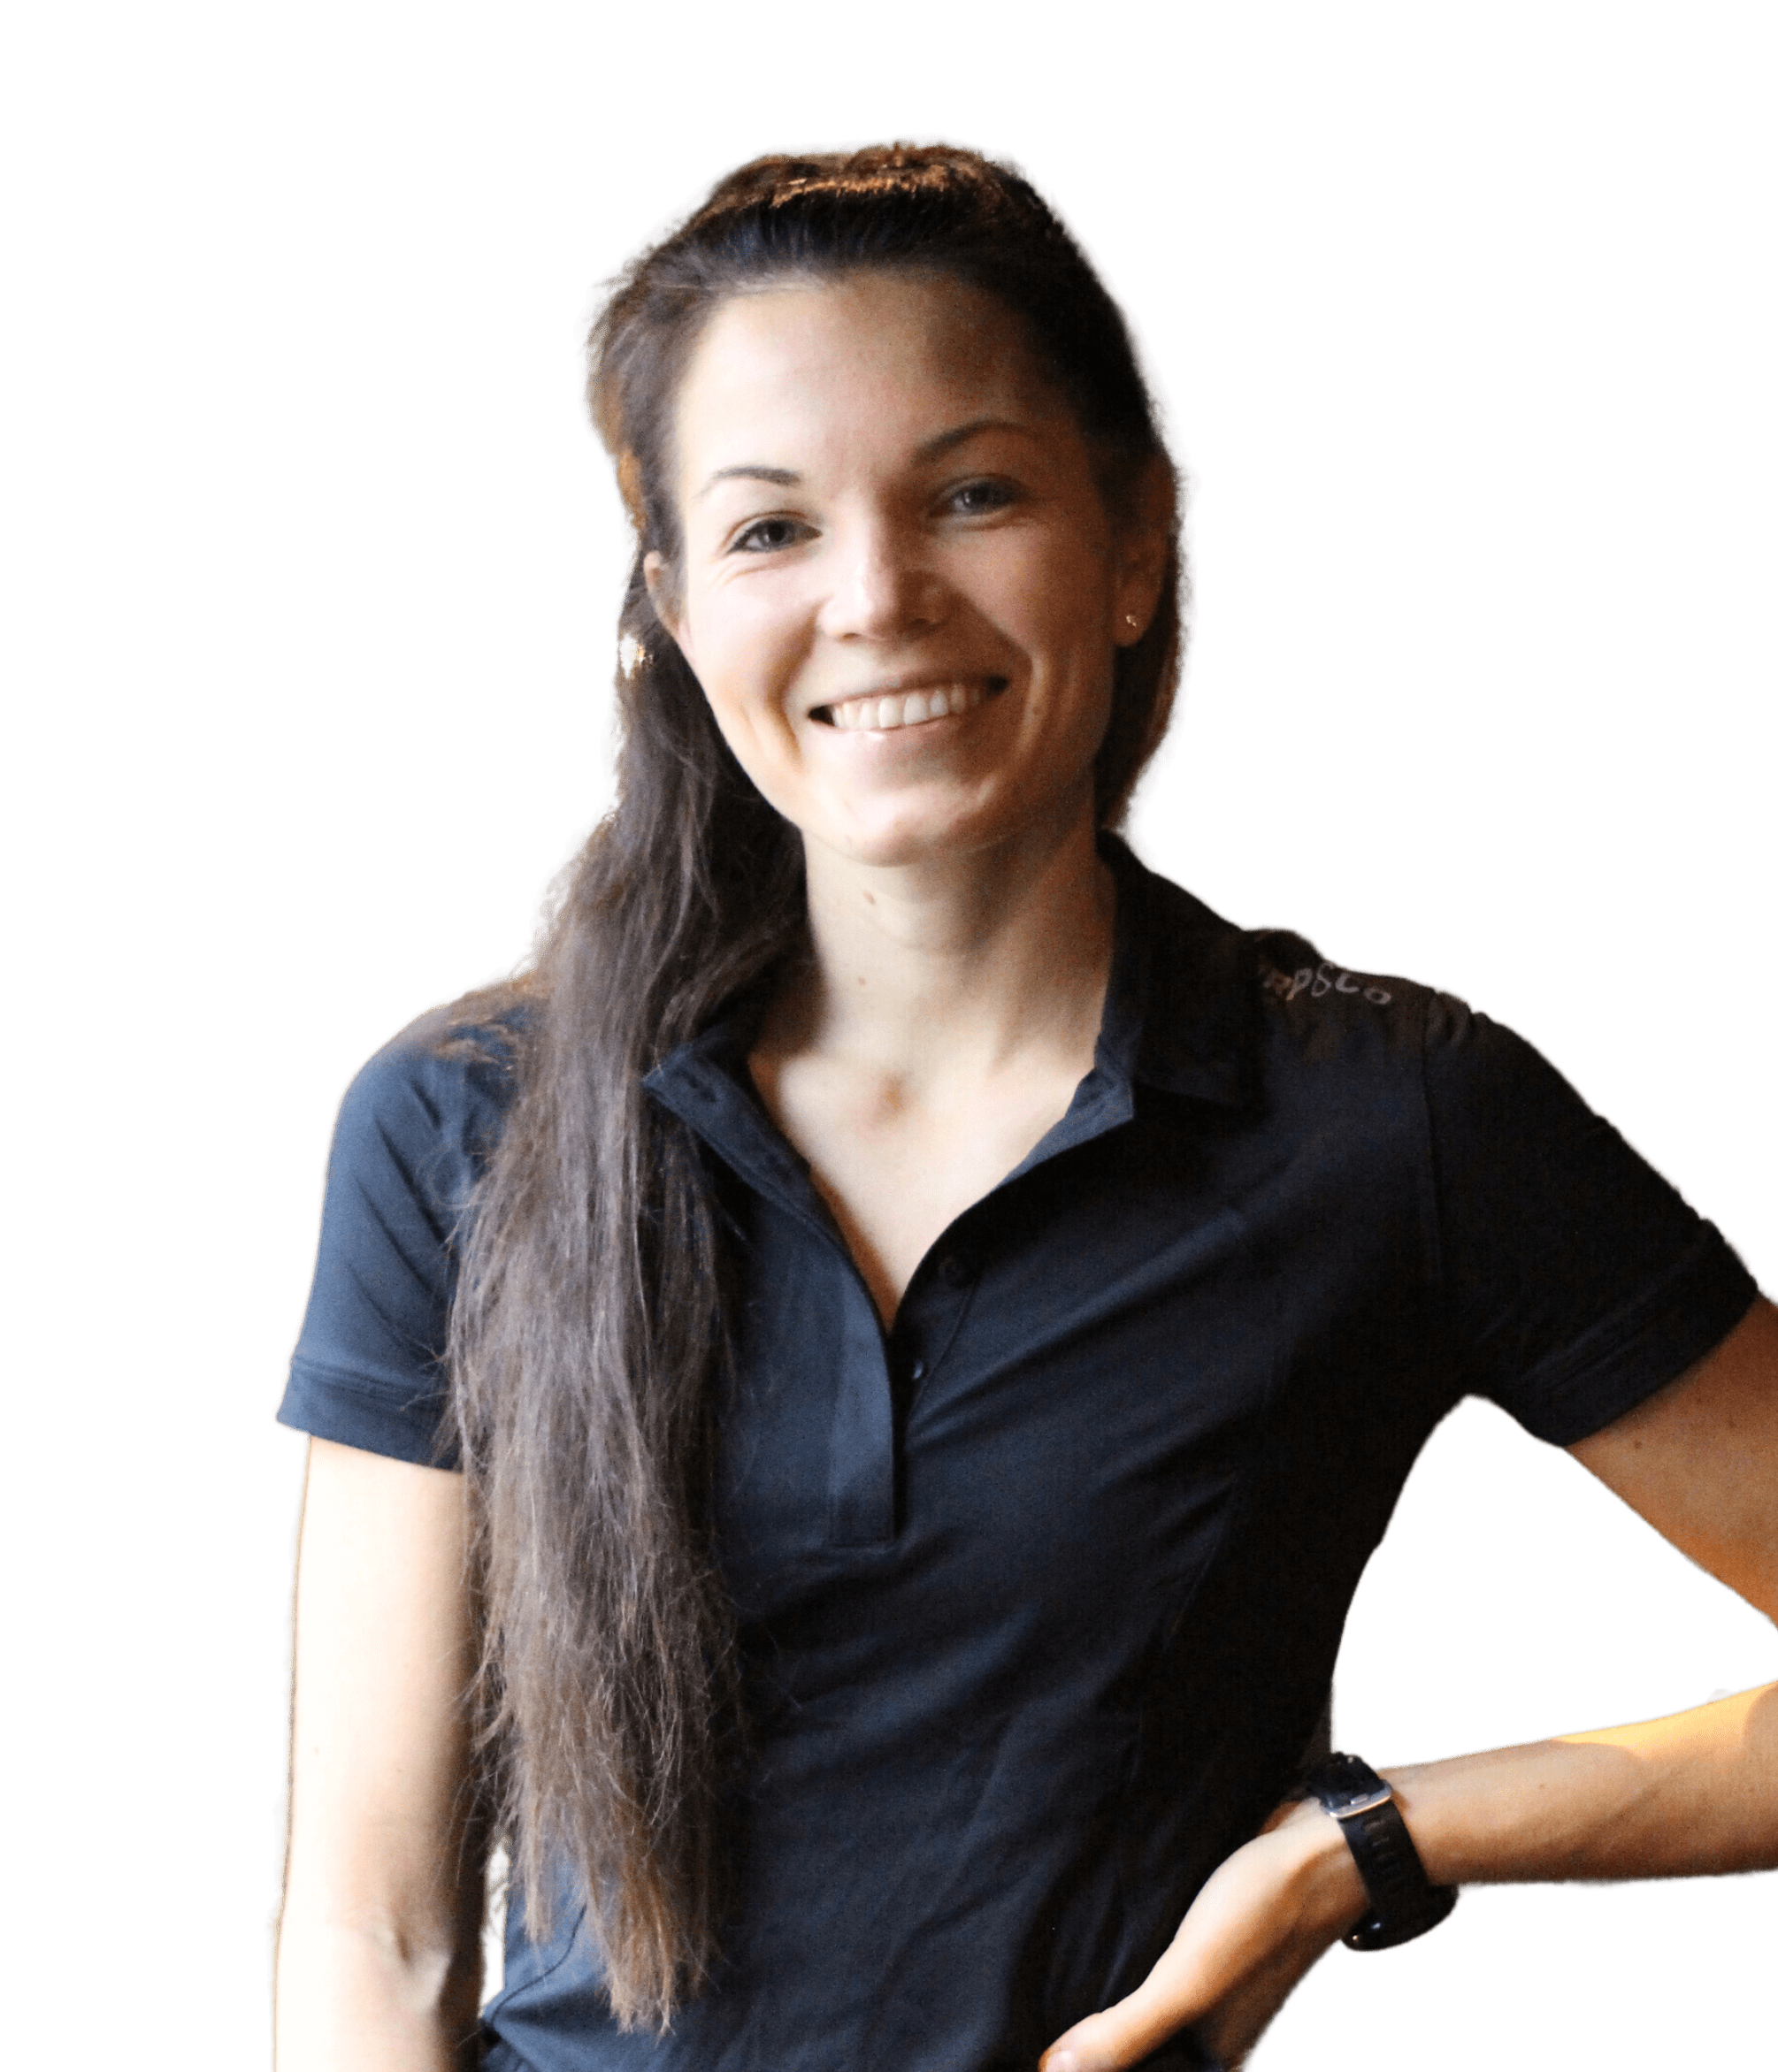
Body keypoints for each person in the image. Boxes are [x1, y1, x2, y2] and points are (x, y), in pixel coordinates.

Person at [267, 138, 1776, 2072]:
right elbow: (379, 1931)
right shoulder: (461, 1126)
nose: (877, 598)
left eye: (971, 493)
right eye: (770, 529)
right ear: (671, 614)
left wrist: (1366, 1842)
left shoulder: (1390, 1114)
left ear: (1133, 545)